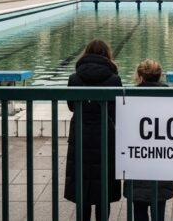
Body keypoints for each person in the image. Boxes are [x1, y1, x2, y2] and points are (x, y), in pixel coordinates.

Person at [64, 39, 123, 220]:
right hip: (105, 136)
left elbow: (72, 106)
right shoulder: (114, 79)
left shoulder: (74, 78)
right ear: (107, 55)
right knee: (103, 186)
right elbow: (116, 110)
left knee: (82, 187)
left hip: (80, 135)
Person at [124, 59, 173, 221]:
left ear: (140, 77)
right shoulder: (170, 96)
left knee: (138, 208)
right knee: (159, 205)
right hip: (162, 160)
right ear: (159, 76)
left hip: (137, 160)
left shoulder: (130, 97)